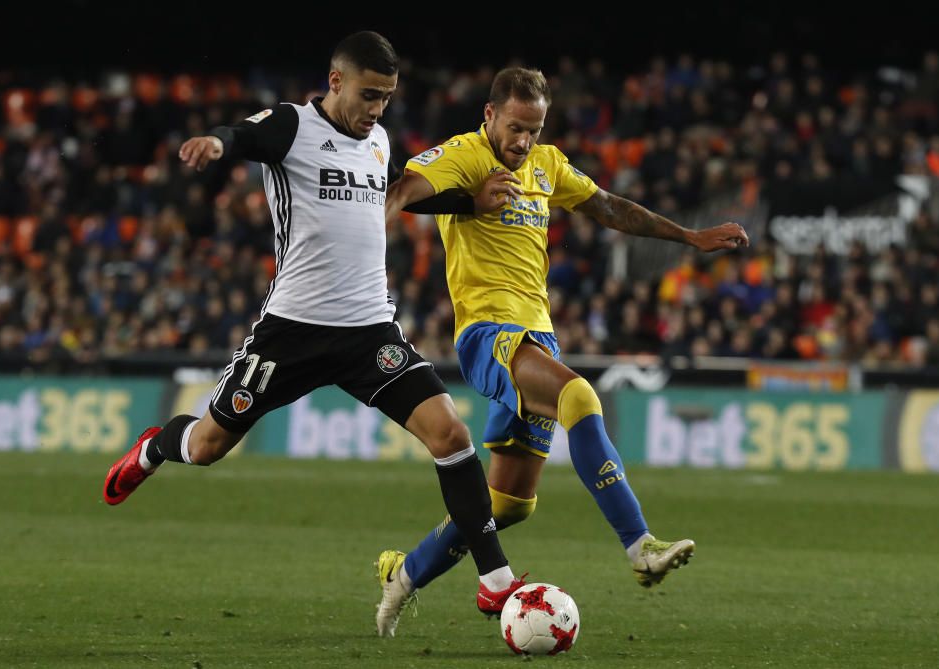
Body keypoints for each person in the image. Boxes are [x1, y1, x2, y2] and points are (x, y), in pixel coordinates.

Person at [101, 31, 528, 626]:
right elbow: (243, 135)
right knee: (205, 448)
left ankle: (496, 580)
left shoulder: (377, 141)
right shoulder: (292, 126)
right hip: (291, 334)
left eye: (386, 97)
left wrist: (467, 204)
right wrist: (216, 145)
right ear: (336, 82)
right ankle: (152, 447)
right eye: (368, 94)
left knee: (452, 435)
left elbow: (398, 196)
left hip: (368, 333)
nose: (377, 109)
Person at [375, 67, 750, 637]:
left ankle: (403, 575)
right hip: (488, 334)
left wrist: (690, 238)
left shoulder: (547, 165)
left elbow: (609, 207)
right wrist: (453, 205)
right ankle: (640, 545)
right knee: (579, 394)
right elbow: (399, 192)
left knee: (505, 505)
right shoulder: (465, 156)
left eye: (535, 128)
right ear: (490, 115)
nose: (523, 141)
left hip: (537, 336)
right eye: (516, 127)